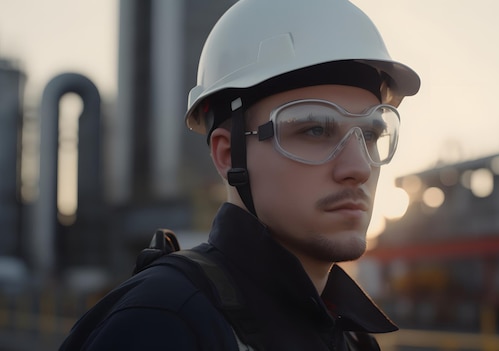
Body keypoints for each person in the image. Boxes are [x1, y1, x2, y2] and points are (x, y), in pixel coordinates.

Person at [61, 0, 419, 349]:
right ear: (229, 154)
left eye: (371, 134)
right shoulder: (161, 323)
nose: (357, 168)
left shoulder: (355, 340)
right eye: (314, 130)